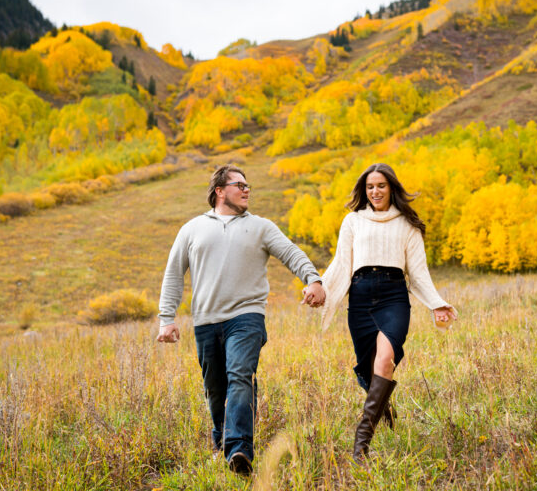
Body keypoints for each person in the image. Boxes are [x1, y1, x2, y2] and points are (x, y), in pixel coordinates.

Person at [156, 164, 325, 476]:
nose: (247, 190)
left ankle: (239, 449)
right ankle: (223, 446)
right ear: (219, 191)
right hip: (206, 321)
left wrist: (313, 279)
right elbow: (173, 275)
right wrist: (167, 318)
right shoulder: (192, 229)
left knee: (239, 375)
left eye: (248, 185)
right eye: (239, 185)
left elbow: (291, 253)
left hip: (246, 318)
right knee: (216, 389)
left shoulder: (261, 227)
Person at [320, 163, 457, 461]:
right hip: (360, 298)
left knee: (385, 360)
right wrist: (320, 287)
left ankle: (361, 444)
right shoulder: (353, 221)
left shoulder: (407, 225)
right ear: (364, 191)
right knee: (371, 373)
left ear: (391, 187)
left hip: (393, 297)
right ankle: (384, 408)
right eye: (370, 187)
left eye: (381, 185)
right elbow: (341, 264)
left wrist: (437, 303)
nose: (375, 191)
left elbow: (418, 273)